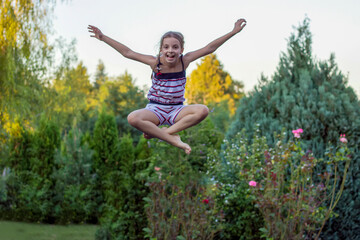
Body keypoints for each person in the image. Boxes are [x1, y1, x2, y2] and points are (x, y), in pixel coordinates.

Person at [88, 19, 246, 154]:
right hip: (155, 110)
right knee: (133, 118)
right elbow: (128, 52)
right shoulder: (154, 62)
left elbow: (209, 48)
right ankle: (174, 140)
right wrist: (103, 38)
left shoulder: (186, 61)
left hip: (176, 110)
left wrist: (233, 32)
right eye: (166, 47)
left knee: (203, 110)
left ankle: (167, 133)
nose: (171, 51)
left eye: (175, 47)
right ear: (161, 49)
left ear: (181, 50)